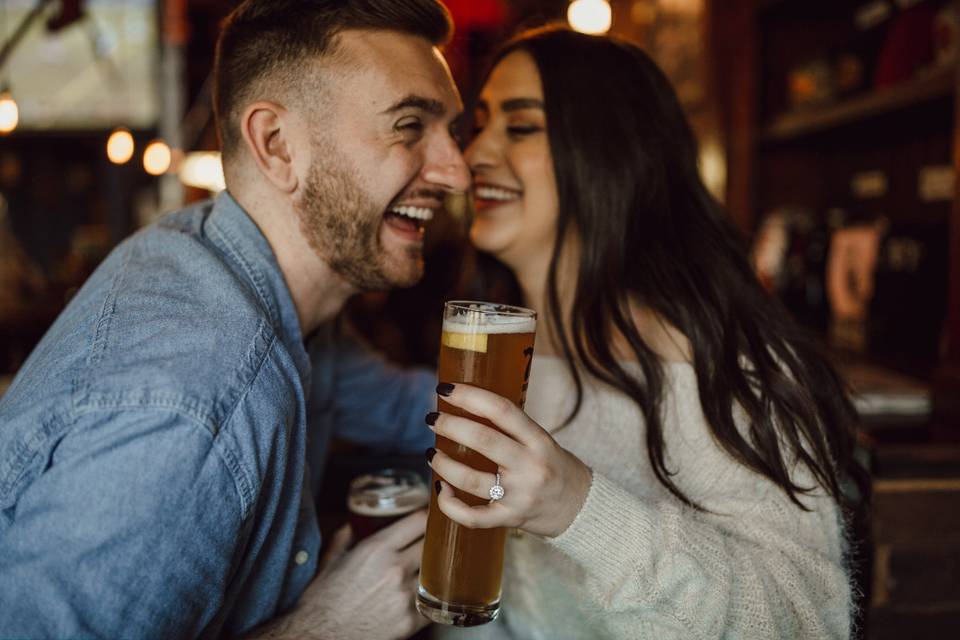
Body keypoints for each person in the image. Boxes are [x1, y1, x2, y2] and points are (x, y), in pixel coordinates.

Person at [0, 1, 470, 638]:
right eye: (409, 126)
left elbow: (403, 405)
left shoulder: (261, 286)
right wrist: (327, 628)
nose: (456, 171)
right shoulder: (194, 402)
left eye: (451, 133)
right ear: (277, 146)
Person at [425, 26, 863, 639]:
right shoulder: (498, 351)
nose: (473, 157)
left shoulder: (719, 365)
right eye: (480, 127)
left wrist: (578, 506)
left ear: (611, 151)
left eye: (520, 127)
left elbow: (804, 624)